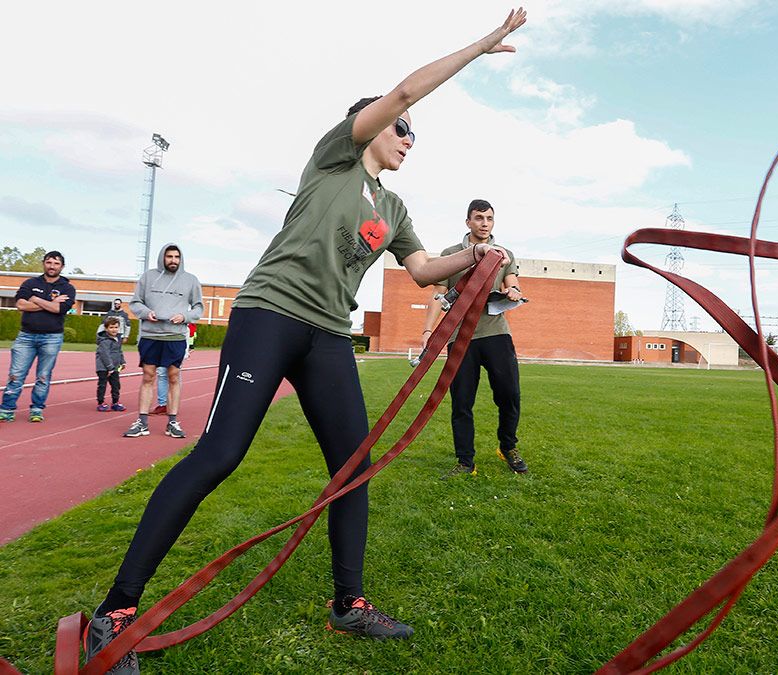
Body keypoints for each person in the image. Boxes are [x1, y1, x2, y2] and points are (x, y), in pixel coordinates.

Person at [86, 10, 527, 673]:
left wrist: (478, 256)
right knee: (220, 453)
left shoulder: (395, 209)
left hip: (328, 333)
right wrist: (484, 46)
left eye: (412, 133)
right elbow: (404, 91)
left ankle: (349, 601)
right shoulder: (337, 155)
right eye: (402, 129)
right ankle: (116, 608)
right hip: (270, 314)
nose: (410, 137)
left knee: (354, 465)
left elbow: (424, 269)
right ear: (375, 125)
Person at [421, 199, 527, 478]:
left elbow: (511, 282)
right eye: (479, 218)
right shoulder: (451, 254)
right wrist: (428, 332)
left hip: (496, 333)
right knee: (462, 401)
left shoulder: (504, 254)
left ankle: (507, 447)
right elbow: (438, 293)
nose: (484, 223)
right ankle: (465, 462)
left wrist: (513, 291)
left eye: (489, 218)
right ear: (468, 221)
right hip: (460, 336)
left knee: (509, 394)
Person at [122, 244, 203, 440]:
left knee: (174, 376)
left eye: (176, 257)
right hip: (150, 335)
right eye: (169, 257)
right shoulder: (148, 277)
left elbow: (198, 308)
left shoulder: (190, 280)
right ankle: (142, 422)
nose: (173, 260)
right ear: (162, 258)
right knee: (148, 376)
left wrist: (184, 316)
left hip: (174, 336)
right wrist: (146, 313)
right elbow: (135, 303)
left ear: (180, 259)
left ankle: (172, 422)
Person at [0, 250, 76, 423]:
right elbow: (20, 305)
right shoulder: (30, 283)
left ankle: (36, 409)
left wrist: (35, 299)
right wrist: (49, 303)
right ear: (44, 263)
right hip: (26, 337)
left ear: (62, 266)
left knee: (43, 376)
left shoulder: (67, 288)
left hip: (52, 338)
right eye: (49, 262)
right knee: (16, 374)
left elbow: (59, 309)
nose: (52, 266)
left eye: (56, 263)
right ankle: (6, 409)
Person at [96, 317, 127, 412]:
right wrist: (109, 367)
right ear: (106, 328)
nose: (114, 329)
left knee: (116, 385)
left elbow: (119, 351)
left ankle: (115, 402)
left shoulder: (117, 339)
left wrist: (122, 361)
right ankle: (101, 402)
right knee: (102, 385)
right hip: (104, 367)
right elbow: (104, 354)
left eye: (116, 327)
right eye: (111, 327)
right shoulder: (104, 341)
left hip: (114, 367)